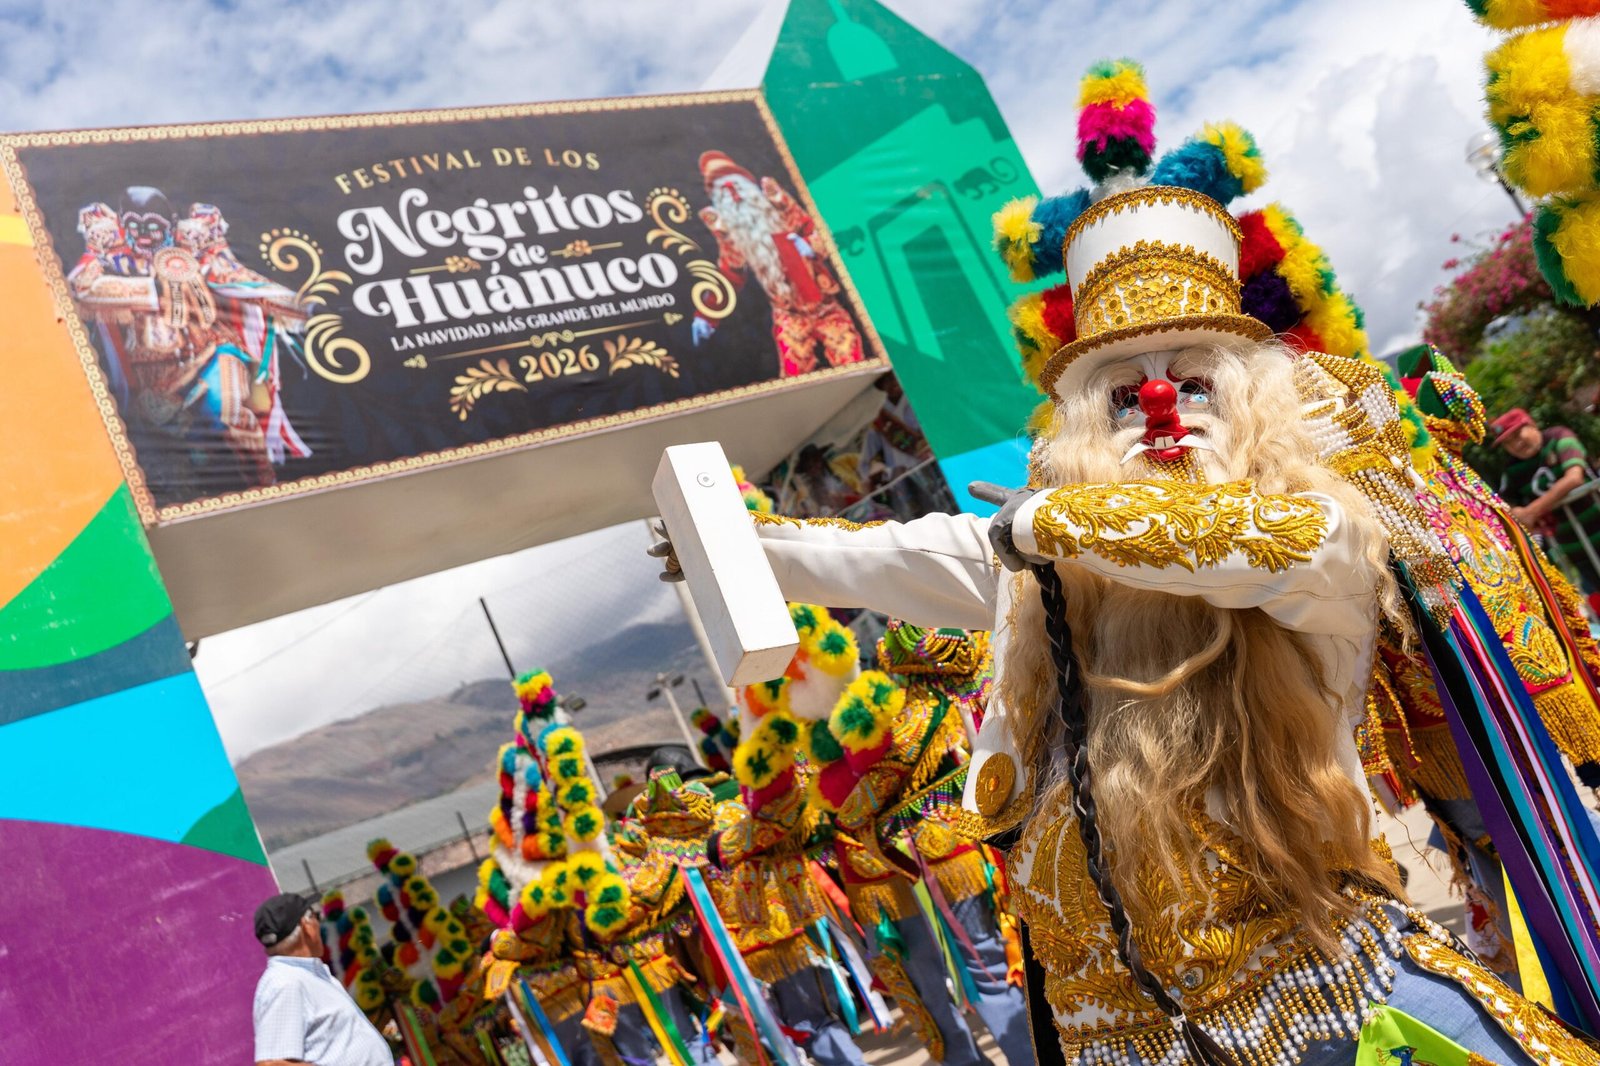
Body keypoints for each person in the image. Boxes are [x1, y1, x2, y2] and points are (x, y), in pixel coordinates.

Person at [652, 184, 1600, 1063]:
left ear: (1250, 399)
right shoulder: (1049, 575)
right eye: (1123, 390)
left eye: (1190, 379)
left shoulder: (1322, 536)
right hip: (1116, 1028)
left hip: (1314, 999)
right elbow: (911, 555)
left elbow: (1238, 541)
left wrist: (1049, 519)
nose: (1156, 402)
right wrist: (749, 545)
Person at [253, 891, 393, 1066]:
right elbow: (271, 1064)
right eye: (316, 916)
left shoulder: (301, 976)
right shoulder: (285, 983)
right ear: (307, 926)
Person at [1492, 407, 1600, 605]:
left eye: (1517, 435)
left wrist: (1531, 511)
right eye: (1507, 442)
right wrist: (1518, 512)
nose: (1516, 444)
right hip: (1575, 548)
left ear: (1531, 425)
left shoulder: (1560, 438)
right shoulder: (1511, 470)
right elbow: (1507, 507)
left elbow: (1574, 477)